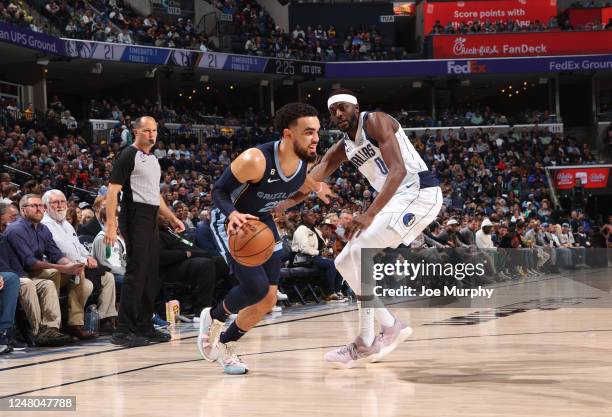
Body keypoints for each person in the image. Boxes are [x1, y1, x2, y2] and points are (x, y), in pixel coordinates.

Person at [276, 89, 443, 367]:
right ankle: (390, 326)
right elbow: (315, 175)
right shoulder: (344, 146)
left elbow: (398, 170)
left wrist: (369, 213)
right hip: (398, 201)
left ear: (356, 107)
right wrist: (286, 203)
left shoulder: (375, 121)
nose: (338, 115)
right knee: (343, 261)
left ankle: (366, 341)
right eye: (333, 111)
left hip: (418, 192)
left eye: (342, 108)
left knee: (360, 249)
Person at [198, 102, 333, 375]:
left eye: (317, 131)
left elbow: (302, 185)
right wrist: (232, 214)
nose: (316, 138)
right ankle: (214, 317)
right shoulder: (255, 160)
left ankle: (226, 344)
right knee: (256, 287)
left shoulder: (304, 162)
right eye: (308, 132)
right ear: (287, 135)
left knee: (269, 298)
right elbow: (219, 191)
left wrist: (312, 190)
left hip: (262, 220)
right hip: (231, 220)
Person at [104, 116, 185, 347]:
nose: (151, 135)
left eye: (154, 131)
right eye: (146, 130)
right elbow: (112, 192)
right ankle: (123, 331)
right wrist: (111, 224)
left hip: (150, 216)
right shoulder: (128, 155)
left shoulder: (152, 159)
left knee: (151, 274)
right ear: (136, 131)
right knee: (137, 272)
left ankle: (144, 326)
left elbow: (154, 194)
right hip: (134, 214)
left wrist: (171, 217)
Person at [6, 194, 91, 343]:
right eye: (34, 206)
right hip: (18, 274)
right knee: (53, 272)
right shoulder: (16, 229)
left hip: (32, 274)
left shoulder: (43, 229)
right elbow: (30, 262)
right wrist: (63, 268)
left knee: (59, 279)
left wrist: (71, 265)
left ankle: (53, 328)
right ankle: (38, 331)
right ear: (23, 210)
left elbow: (55, 253)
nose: (39, 209)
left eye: (41, 206)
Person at [41, 190, 118, 334]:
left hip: (78, 265)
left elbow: (78, 246)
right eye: (55, 202)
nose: (60, 205)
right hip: (61, 268)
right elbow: (63, 250)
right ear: (45, 206)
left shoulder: (66, 224)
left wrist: (89, 256)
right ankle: (73, 324)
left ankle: (105, 319)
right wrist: (85, 261)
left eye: (62, 202)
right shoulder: (46, 224)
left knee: (108, 277)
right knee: (86, 284)